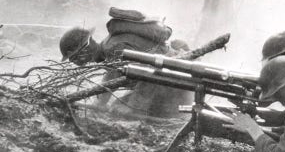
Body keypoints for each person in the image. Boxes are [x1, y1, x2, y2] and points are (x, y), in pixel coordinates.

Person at [59, 7, 190, 117]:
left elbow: (147, 74)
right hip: (168, 81)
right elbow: (111, 78)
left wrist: (133, 107)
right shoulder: (109, 48)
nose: (76, 63)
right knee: (117, 108)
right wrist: (99, 104)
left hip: (176, 84)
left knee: (123, 113)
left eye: (74, 58)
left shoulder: (113, 48)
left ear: (83, 50)